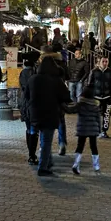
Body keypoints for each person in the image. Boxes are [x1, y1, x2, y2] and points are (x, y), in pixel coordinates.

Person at [29, 47, 71, 176]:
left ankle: (47, 161)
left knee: (43, 139)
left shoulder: (34, 79)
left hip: (35, 114)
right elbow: (66, 96)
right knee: (46, 141)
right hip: (51, 113)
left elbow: (26, 96)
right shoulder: (56, 80)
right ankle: (43, 167)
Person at [69, 85, 102, 174]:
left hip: (82, 128)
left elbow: (71, 110)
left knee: (80, 146)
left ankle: (76, 164)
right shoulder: (95, 105)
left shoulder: (80, 104)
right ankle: (96, 166)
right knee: (93, 146)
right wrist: (99, 129)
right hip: (93, 128)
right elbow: (98, 118)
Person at [86, 55, 111, 139]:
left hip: (107, 97)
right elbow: (89, 84)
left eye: (106, 61)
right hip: (96, 97)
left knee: (106, 115)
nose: (105, 63)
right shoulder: (94, 71)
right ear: (99, 62)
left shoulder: (110, 72)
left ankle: (104, 131)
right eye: (103, 61)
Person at [18, 50, 40, 165]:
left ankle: (31, 153)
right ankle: (32, 154)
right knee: (33, 130)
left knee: (29, 129)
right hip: (33, 105)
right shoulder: (35, 74)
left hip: (25, 105)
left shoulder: (22, 73)